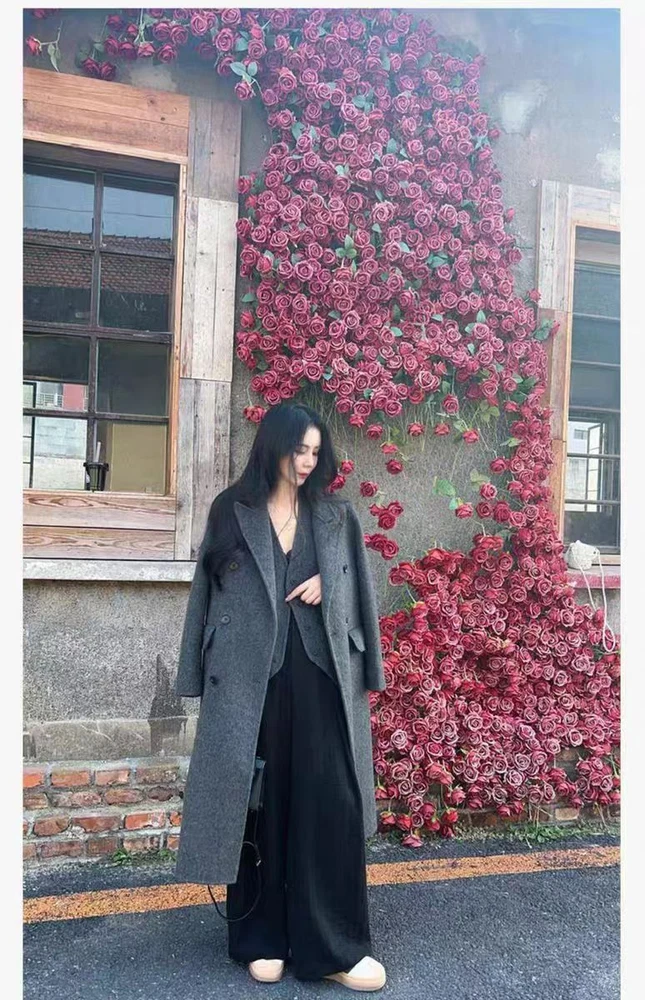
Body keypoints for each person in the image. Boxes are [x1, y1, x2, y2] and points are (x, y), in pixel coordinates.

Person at [175, 402, 387, 991]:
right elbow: (205, 593)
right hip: (249, 678)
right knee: (258, 799)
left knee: (329, 798)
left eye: (316, 452)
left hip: (322, 674)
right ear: (273, 447)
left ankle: (335, 946)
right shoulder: (230, 509)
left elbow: (359, 591)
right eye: (299, 450)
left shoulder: (336, 514)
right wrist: (194, 671)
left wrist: (327, 586)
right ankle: (261, 936)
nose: (308, 461)